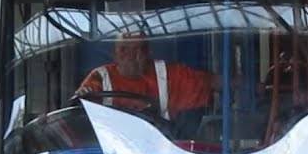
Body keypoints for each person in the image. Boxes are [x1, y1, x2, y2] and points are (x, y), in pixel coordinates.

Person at [74, 34, 219, 128]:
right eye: (124, 50)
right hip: (112, 146)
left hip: (160, 148)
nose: (131, 56)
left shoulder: (167, 73)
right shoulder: (100, 77)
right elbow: (80, 109)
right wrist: (84, 96)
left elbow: (212, 83)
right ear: (114, 54)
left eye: (138, 50)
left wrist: (232, 82)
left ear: (148, 53)